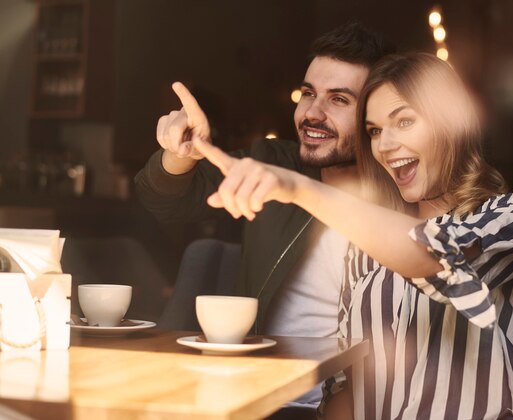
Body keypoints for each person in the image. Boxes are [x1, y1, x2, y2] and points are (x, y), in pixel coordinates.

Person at [191, 52, 513, 419]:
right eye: (375, 131)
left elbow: (434, 256)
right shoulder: (362, 247)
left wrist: (295, 187)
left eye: (404, 121)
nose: (384, 145)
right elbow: (346, 387)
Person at [134, 22, 394, 413]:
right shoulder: (272, 163)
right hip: (262, 402)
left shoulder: (405, 196)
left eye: (339, 99)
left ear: (376, 115)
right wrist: (180, 155)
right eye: (308, 94)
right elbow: (167, 201)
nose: (312, 113)